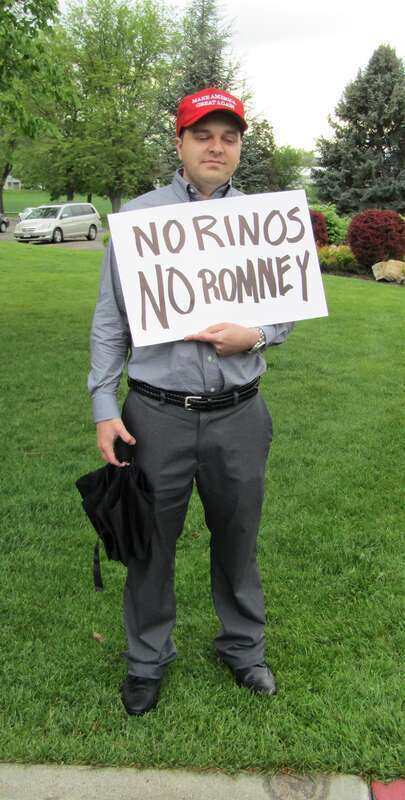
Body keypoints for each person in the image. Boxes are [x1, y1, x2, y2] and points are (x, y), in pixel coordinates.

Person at [88, 87, 294, 716]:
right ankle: (147, 659)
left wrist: (255, 334)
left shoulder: (262, 225)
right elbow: (109, 319)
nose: (216, 146)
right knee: (150, 543)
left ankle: (243, 648)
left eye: (229, 137)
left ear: (239, 149)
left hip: (239, 415)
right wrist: (103, 404)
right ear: (179, 143)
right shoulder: (141, 221)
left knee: (239, 536)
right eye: (203, 134)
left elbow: (285, 310)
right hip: (155, 414)